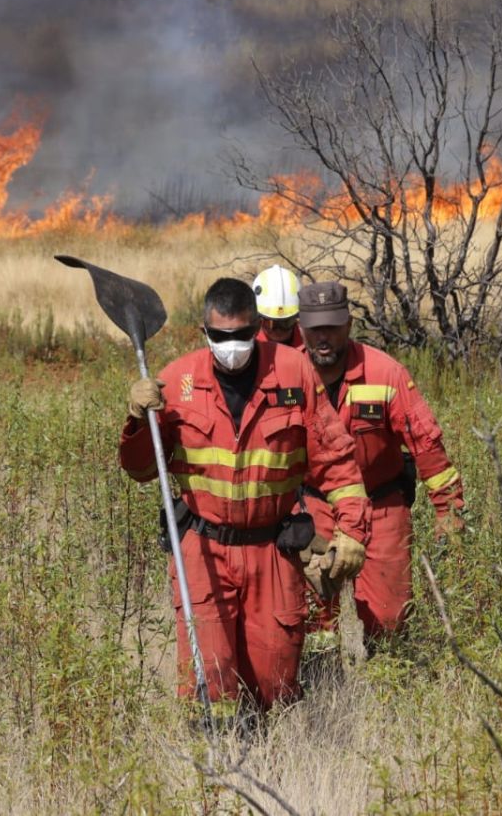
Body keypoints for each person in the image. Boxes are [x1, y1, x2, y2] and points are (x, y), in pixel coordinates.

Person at [119, 276, 369, 713]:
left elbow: (337, 460)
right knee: (209, 678)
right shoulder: (176, 382)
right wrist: (138, 420)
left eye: (240, 335)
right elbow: (141, 470)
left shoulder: (294, 371)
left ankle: (268, 764)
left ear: (257, 327)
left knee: (275, 683)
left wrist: (351, 527)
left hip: (272, 551)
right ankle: (214, 761)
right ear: (205, 333)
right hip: (204, 551)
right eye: (220, 336)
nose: (230, 345)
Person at [296, 280, 465, 647]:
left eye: (332, 327)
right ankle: (323, 687)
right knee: (312, 612)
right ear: (301, 329)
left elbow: (427, 444)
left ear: (349, 325)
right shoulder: (287, 374)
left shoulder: (385, 373)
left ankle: (388, 688)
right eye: (314, 329)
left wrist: (447, 511)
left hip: (381, 504)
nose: (323, 337)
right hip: (315, 504)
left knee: (389, 619)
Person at [251, 264, 305, 350]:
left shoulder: (310, 346)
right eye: (270, 323)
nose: (278, 330)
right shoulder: (249, 349)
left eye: (286, 323)